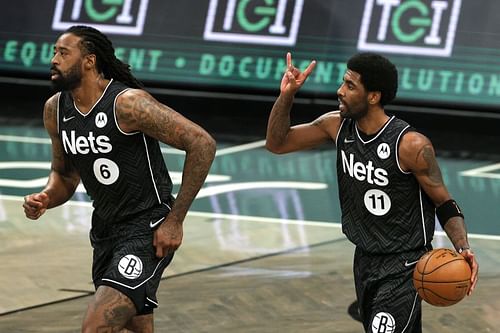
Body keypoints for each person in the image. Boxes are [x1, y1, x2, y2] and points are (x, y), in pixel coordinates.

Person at [265, 52, 478, 333]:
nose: (340, 92)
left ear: (373, 97)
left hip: (405, 264)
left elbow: (444, 203)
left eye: (350, 86)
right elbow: (277, 143)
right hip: (364, 259)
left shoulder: (410, 145)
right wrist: (287, 96)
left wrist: (463, 247)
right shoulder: (336, 126)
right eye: (343, 83)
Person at [22, 25, 216, 332]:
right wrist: (46, 196)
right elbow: (64, 175)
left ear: (89, 61)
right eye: (54, 52)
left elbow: (202, 143)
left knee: (96, 326)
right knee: (136, 326)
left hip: (146, 227)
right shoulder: (55, 110)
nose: (54, 59)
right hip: (105, 230)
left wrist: (175, 219)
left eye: (63, 52)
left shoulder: (127, 104)